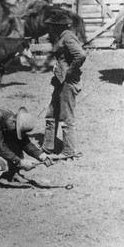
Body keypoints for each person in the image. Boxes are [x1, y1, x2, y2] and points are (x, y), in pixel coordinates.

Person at [42, 10, 87, 159]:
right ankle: (48, 146)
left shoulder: (67, 37)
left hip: (68, 82)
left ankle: (69, 150)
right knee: (51, 112)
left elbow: (80, 55)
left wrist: (69, 72)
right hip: (60, 81)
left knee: (66, 116)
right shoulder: (60, 37)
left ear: (58, 26)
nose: (49, 28)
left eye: (51, 25)